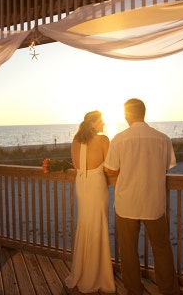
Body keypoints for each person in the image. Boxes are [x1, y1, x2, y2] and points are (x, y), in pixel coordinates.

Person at [104, 98, 180, 295]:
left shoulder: (119, 139)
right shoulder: (163, 138)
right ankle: (169, 290)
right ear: (143, 113)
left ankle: (134, 289)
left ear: (128, 114)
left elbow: (111, 169)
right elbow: (166, 166)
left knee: (128, 251)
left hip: (127, 203)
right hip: (153, 203)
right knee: (162, 248)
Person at [65, 110, 116, 294]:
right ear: (93, 123)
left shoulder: (75, 141)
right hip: (96, 186)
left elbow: (75, 164)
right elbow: (111, 167)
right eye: (101, 121)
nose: (104, 123)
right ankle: (96, 275)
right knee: (98, 226)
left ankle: (82, 271)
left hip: (81, 185)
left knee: (85, 225)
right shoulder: (103, 140)